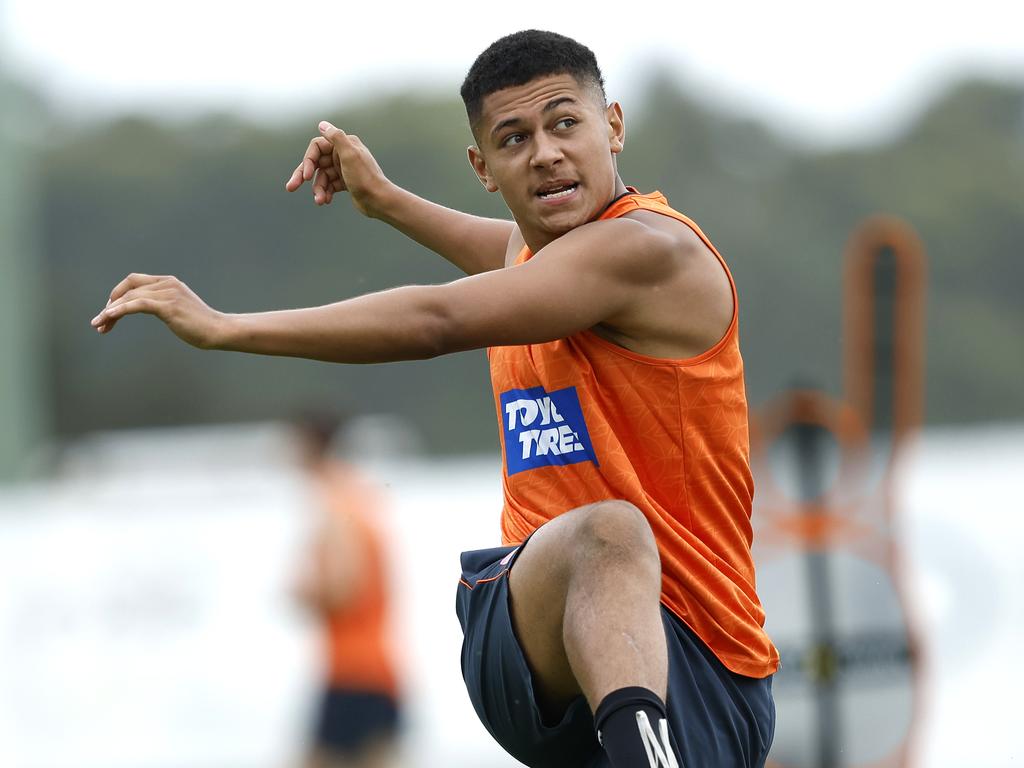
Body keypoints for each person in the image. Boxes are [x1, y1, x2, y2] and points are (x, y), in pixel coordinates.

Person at [91, 29, 778, 768]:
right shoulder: (539, 254)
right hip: (528, 636)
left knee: (611, 537)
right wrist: (385, 202)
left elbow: (438, 317)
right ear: (483, 168)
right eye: (514, 138)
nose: (545, 152)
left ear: (612, 127)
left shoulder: (646, 250)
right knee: (605, 534)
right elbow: (498, 250)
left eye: (565, 123)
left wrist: (228, 327)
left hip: (706, 664)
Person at [289, 414, 403, 768]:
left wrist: (303, 592)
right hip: (378, 670)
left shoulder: (335, 504)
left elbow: (344, 586)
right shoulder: (358, 496)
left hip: (352, 673)